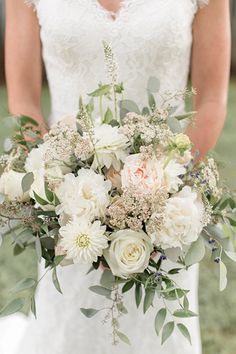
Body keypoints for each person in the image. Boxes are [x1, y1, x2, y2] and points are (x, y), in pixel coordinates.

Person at [3, 1, 230, 353]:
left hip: (163, 205)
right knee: (68, 322)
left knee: (156, 330)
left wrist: (162, 189)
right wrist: (59, 185)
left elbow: (211, 99)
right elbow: (23, 99)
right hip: (70, 205)